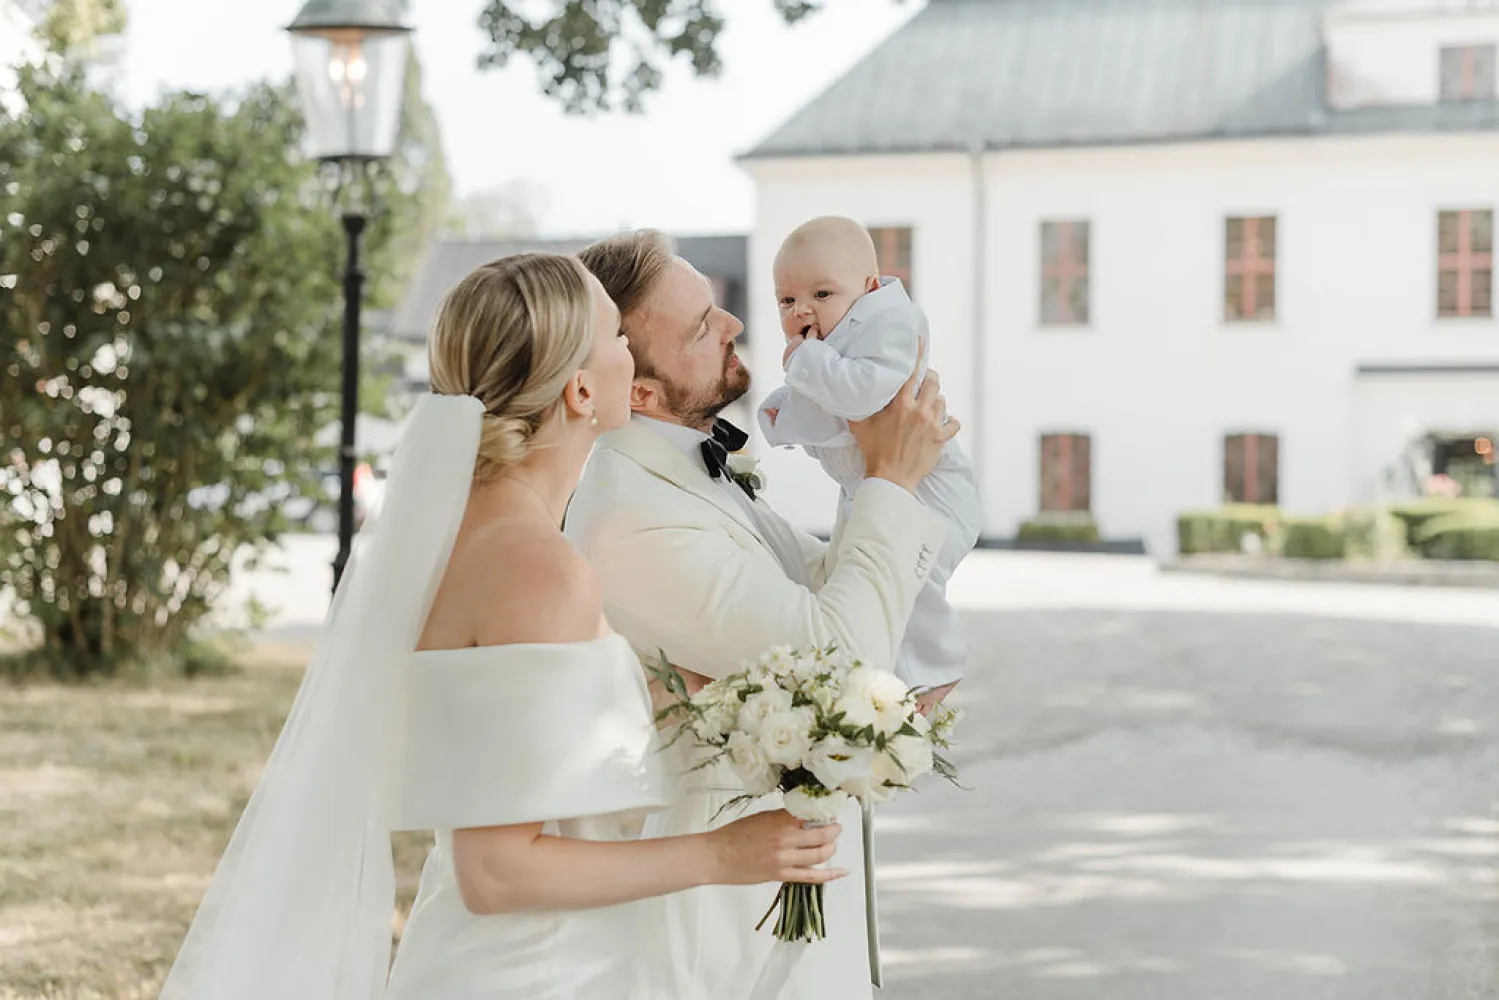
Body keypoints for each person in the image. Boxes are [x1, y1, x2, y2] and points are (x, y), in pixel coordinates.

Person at [157, 253, 846, 1000]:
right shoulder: (536, 568)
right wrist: (721, 854)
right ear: (582, 388)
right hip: (534, 971)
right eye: (617, 336)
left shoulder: (470, 539)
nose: (628, 355)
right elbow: (498, 871)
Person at [565, 230, 960, 1000]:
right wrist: (889, 481)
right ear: (636, 392)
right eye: (700, 325)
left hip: (793, 875)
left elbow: (822, 582)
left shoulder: (691, 470)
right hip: (732, 921)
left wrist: (868, 456)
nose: (736, 325)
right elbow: (837, 656)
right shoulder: (633, 520)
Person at [758, 214, 982, 698]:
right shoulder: (836, 347)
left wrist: (802, 363)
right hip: (876, 483)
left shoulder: (891, 324)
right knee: (861, 579)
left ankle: (932, 671)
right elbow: (834, 413)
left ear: (868, 286)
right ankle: (884, 680)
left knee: (905, 578)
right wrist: (781, 413)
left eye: (821, 294)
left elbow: (861, 396)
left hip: (931, 488)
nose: (802, 311)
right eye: (787, 300)